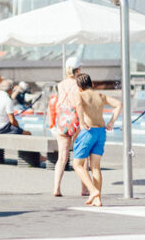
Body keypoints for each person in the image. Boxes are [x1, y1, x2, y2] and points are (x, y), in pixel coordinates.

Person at [71, 72, 122, 207]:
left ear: (79, 87)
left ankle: (93, 191)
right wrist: (111, 122)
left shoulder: (80, 95)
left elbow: (79, 105)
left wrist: (82, 122)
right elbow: (118, 104)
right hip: (101, 132)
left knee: (77, 164)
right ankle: (97, 199)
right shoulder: (100, 95)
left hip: (88, 132)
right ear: (92, 84)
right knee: (95, 167)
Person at [48, 57, 86, 197]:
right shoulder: (79, 84)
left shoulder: (60, 84)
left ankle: (56, 188)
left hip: (62, 120)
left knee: (62, 157)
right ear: (78, 70)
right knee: (82, 156)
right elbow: (80, 104)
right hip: (76, 120)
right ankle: (84, 188)